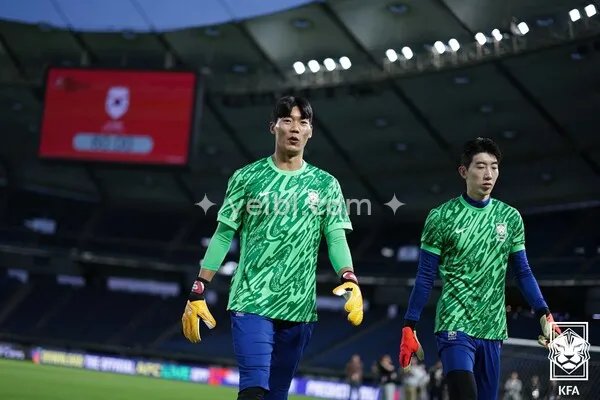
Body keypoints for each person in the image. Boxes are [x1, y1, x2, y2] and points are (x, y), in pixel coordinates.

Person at [181, 95, 364, 400]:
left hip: (299, 306)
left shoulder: (326, 184)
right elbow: (223, 235)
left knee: (276, 396)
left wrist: (349, 277)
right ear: (273, 127)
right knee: (253, 390)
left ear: (310, 131)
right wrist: (198, 288)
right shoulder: (246, 178)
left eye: (303, 122)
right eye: (287, 120)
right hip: (251, 299)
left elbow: (335, 238)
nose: (295, 128)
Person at [398, 138, 561, 400]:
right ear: (464, 171)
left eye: (494, 167)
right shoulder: (441, 217)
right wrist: (409, 325)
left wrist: (544, 313)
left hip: (492, 328)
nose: (488, 174)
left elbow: (522, 272)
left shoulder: (510, 218)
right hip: (454, 322)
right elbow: (426, 275)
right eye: (481, 166)